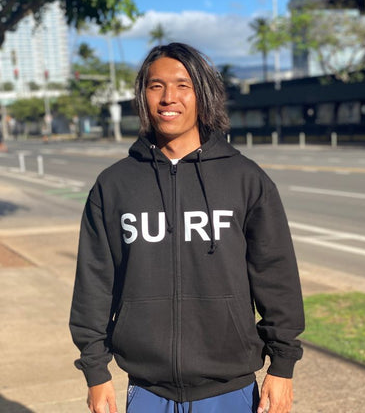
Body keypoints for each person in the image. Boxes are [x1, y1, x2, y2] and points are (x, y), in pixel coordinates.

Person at [70, 42, 304, 413]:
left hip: (230, 388)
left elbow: (276, 277)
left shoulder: (245, 179)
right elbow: (94, 282)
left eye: (183, 85)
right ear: (143, 95)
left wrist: (282, 366)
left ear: (203, 94)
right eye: (156, 86)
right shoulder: (114, 185)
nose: (169, 97)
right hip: (147, 389)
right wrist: (95, 371)